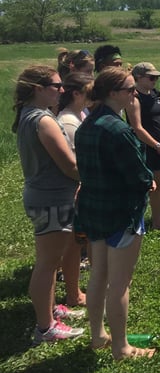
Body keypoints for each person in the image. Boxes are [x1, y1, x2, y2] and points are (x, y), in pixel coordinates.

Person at [74, 68, 156, 359]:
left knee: (98, 275)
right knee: (120, 283)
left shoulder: (87, 126)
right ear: (112, 93)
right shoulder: (118, 130)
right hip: (122, 214)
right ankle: (121, 347)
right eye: (130, 90)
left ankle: (98, 336)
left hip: (94, 210)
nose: (135, 95)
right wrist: (149, 180)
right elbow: (139, 176)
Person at [13, 66, 85, 344]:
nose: (62, 90)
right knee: (48, 263)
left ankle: (51, 310)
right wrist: (92, 174)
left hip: (44, 195)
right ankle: (45, 327)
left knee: (50, 259)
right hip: (51, 198)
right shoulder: (43, 120)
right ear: (38, 89)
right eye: (56, 86)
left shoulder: (29, 116)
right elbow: (69, 164)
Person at [55, 71, 94, 307]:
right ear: (77, 93)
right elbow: (74, 162)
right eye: (89, 91)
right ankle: (73, 293)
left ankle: (75, 290)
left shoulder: (78, 114)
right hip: (75, 190)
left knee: (77, 242)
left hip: (79, 188)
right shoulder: (69, 121)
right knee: (71, 245)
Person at [126, 62, 160, 230]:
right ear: (138, 78)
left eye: (157, 78)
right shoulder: (134, 97)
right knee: (143, 186)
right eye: (151, 77)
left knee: (158, 186)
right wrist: (157, 145)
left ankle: (157, 222)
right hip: (145, 148)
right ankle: (137, 224)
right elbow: (137, 128)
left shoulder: (156, 94)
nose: (155, 81)